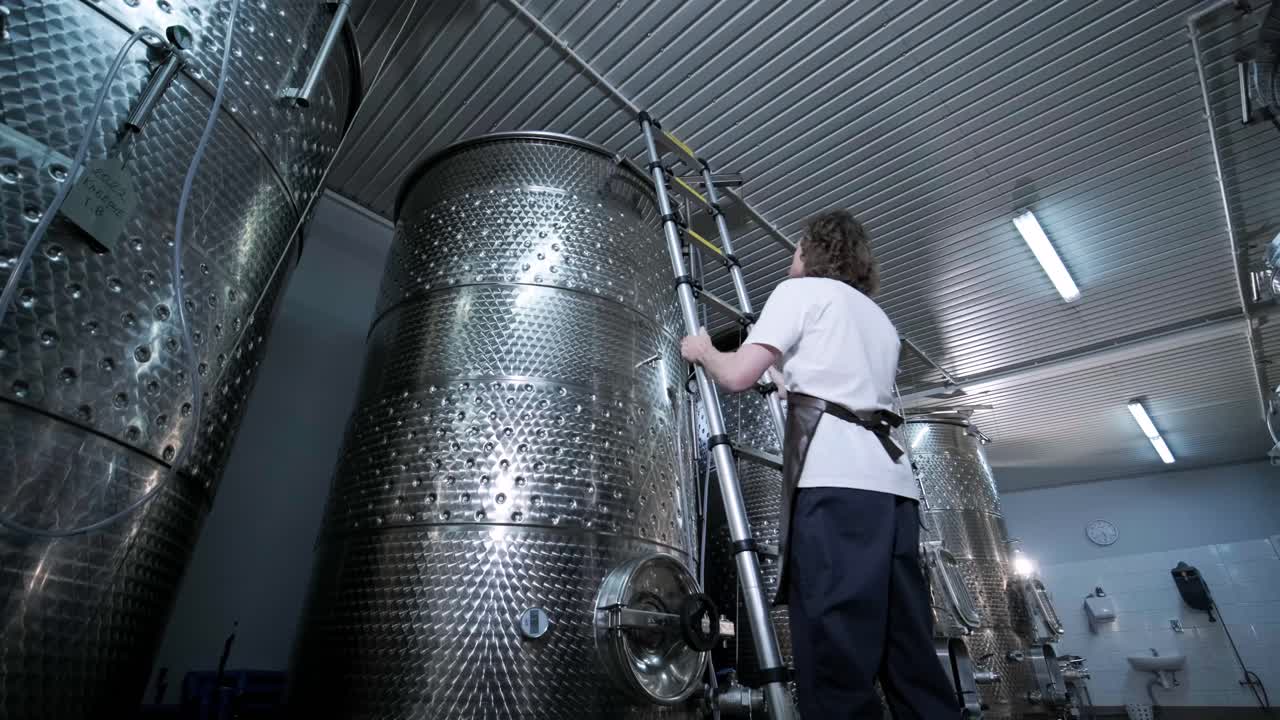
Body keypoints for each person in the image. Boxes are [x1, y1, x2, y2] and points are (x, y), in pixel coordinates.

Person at [680, 210, 960, 719]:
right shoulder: (879, 320)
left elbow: (739, 375)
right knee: (908, 651)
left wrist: (703, 351)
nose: (792, 256)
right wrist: (789, 381)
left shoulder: (799, 293)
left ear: (809, 252)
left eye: (796, 248)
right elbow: (842, 386)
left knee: (836, 653)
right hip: (894, 492)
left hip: (836, 487)